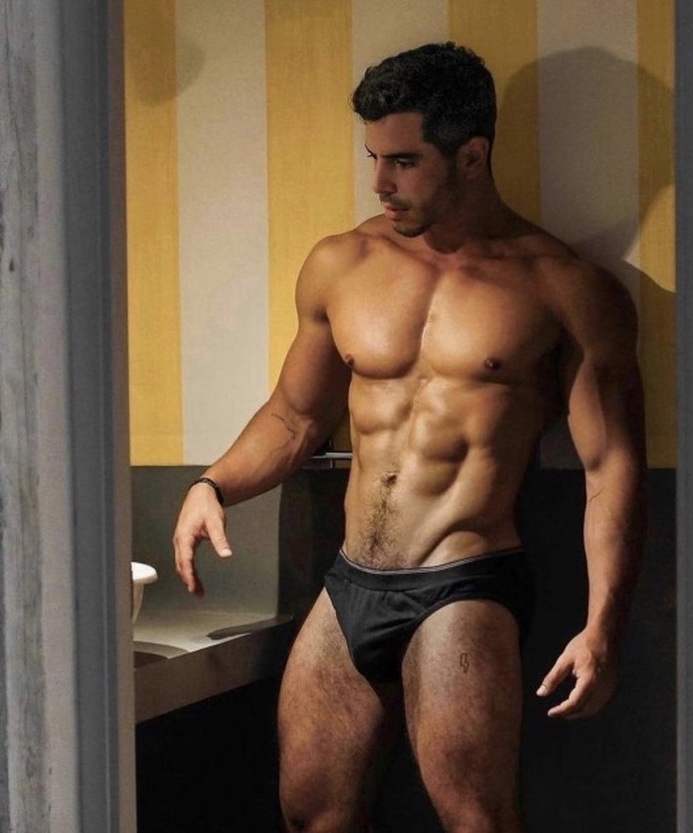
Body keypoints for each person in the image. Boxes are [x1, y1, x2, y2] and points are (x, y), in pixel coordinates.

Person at [173, 42, 647, 833]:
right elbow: (294, 416)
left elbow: (609, 468)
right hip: (350, 577)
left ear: (471, 156)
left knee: (474, 820)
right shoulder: (342, 264)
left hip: (463, 580)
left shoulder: (562, 287)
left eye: (402, 161)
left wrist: (604, 628)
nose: (379, 183)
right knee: (311, 815)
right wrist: (211, 483)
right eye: (373, 158)